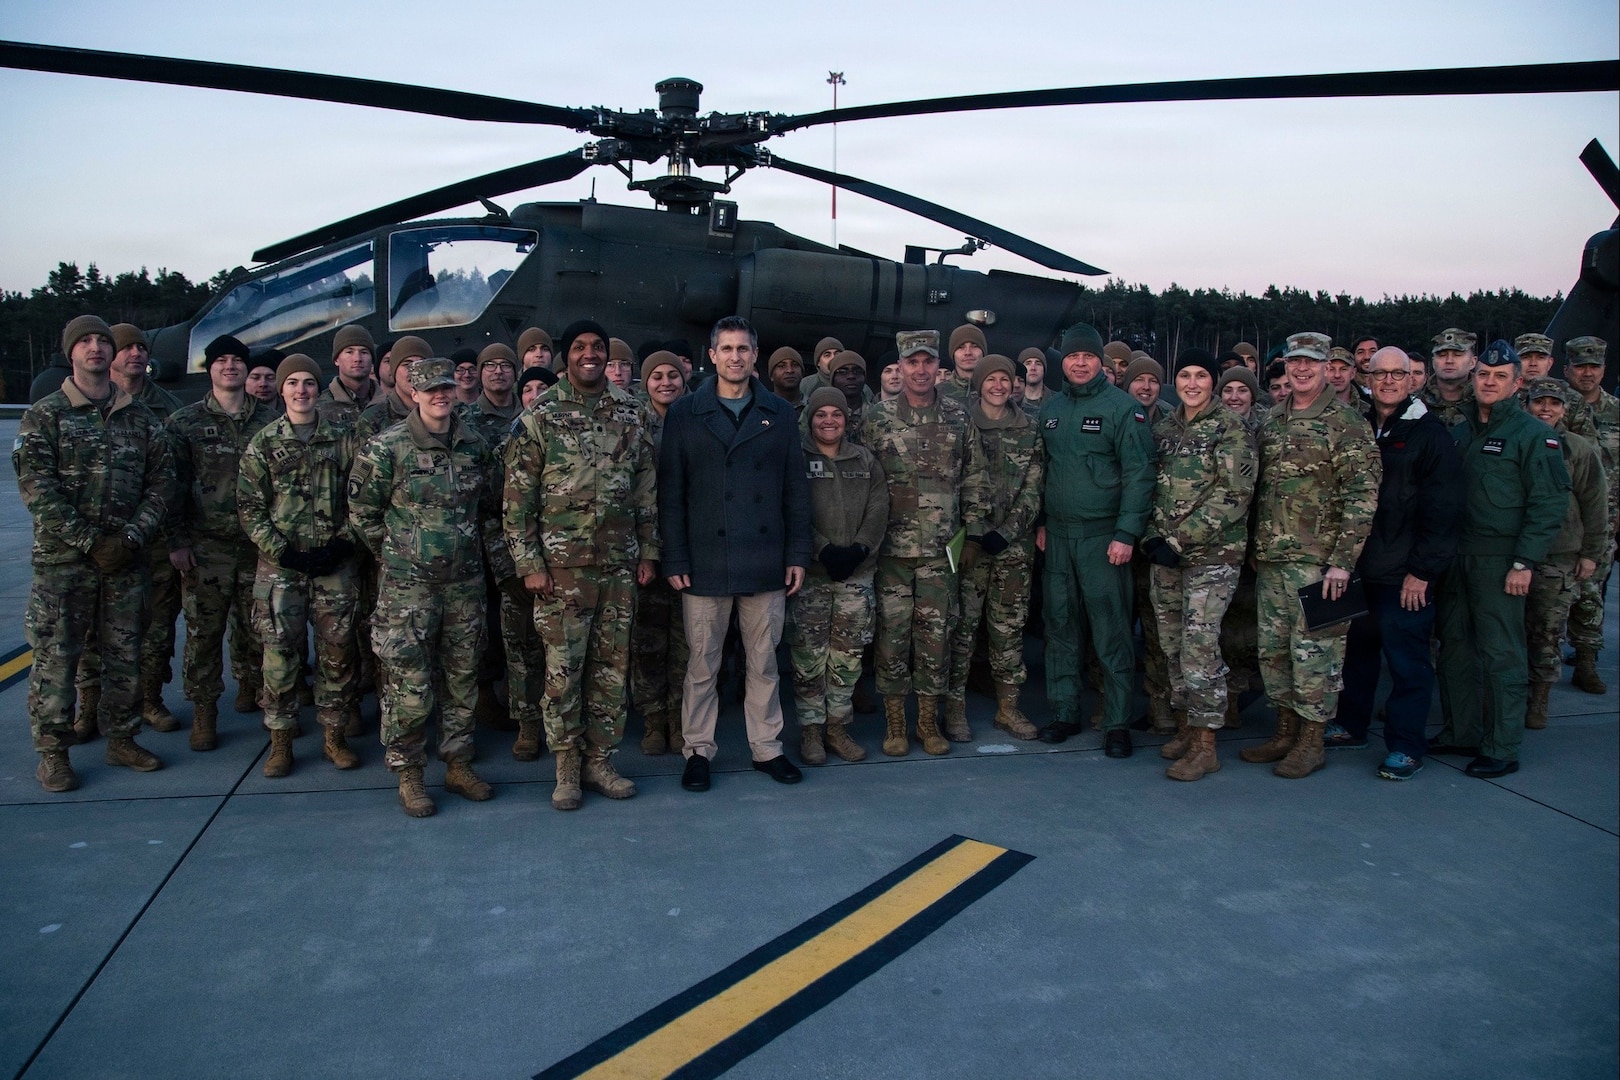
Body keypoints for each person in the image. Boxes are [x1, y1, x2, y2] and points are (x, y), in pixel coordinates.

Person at [349, 357, 511, 817]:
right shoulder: (387, 448)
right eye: (430, 390)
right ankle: (410, 774)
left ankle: (458, 765)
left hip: (464, 586)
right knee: (409, 682)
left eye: (447, 388)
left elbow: (489, 509)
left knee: (462, 679)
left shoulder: (474, 445)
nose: (441, 396)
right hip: (409, 590)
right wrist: (399, 553)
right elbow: (362, 512)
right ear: (413, 395)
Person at [505, 319, 658, 808]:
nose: (589, 354)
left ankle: (601, 762)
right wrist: (529, 562)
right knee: (563, 670)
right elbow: (516, 499)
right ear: (563, 356)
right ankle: (567, 766)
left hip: (617, 565)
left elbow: (645, 490)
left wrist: (649, 550)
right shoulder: (540, 414)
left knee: (612, 668)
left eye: (597, 347)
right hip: (560, 570)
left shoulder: (630, 412)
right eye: (579, 348)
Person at [17, 315, 174, 791]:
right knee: (57, 658)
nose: (96, 349)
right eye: (85, 342)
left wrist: (130, 539)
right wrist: (90, 541)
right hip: (64, 564)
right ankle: (54, 753)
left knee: (126, 653)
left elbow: (163, 483)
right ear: (71, 353)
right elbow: (37, 489)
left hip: (126, 561)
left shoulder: (140, 418)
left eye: (103, 341)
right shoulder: (45, 416)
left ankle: (122, 738)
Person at [660, 315, 811, 792]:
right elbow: (671, 493)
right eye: (726, 349)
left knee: (763, 662)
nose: (735, 357)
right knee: (702, 663)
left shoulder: (780, 413)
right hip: (705, 559)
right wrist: (676, 558)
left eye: (743, 349)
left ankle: (768, 749)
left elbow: (795, 491)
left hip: (764, 557)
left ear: (754, 355)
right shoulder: (686, 412)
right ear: (712, 355)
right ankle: (698, 751)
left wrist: (798, 553)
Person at [1242, 332, 1380, 779]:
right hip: (1272, 559)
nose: (1301, 369)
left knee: (1317, 656)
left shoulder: (1347, 422)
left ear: (1327, 368)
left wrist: (1343, 562)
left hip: (1320, 565)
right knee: (1274, 652)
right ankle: (1284, 731)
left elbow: (1362, 496)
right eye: (1294, 361)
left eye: (1311, 362)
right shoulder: (1272, 419)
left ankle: (1311, 741)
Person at [1429, 341, 1570, 779]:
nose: (1489, 382)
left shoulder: (1532, 435)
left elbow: (1548, 504)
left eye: (1500, 376)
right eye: (1484, 375)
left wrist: (1524, 562)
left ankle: (1502, 745)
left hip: (1500, 559)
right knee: (1454, 648)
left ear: (1517, 383)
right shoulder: (1460, 429)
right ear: (1473, 377)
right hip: (1456, 557)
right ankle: (1462, 731)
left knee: (1502, 653)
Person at [1328, 347, 1461, 780]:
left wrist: (1422, 572)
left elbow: (1443, 511)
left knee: (1407, 663)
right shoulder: (1357, 425)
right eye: (1379, 373)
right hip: (1355, 566)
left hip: (1403, 574)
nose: (1387, 381)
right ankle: (1351, 725)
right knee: (1354, 656)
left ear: (1412, 380)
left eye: (1397, 374)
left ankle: (1406, 746)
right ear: (1367, 378)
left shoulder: (1429, 433)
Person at [858, 329, 987, 757]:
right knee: (891, 639)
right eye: (911, 362)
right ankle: (896, 723)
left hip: (940, 552)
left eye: (927, 361)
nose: (920, 370)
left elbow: (974, 478)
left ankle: (928, 723)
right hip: (890, 552)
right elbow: (860, 481)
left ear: (938, 366)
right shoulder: (876, 419)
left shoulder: (958, 416)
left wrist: (973, 535)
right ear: (900, 366)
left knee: (936, 640)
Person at [237, 354, 364, 776]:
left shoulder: (344, 439)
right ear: (281, 389)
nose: (302, 390)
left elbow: (362, 498)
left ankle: (334, 735)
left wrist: (341, 544)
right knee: (279, 657)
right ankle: (281, 740)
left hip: (334, 566)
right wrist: (282, 551)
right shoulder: (265, 442)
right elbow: (250, 507)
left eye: (309, 382)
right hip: (282, 569)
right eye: (292, 382)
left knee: (337, 653)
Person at [1033, 323, 1155, 757]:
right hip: (1059, 539)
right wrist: (1044, 520)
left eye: (1087, 356)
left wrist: (1127, 533)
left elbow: (1140, 474)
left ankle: (1118, 721)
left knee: (1111, 629)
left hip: (1104, 539)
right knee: (1060, 626)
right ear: (1062, 362)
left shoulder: (1122, 408)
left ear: (1100, 362)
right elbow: (1043, 470)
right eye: (1071, 357)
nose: (1079, 363)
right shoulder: (1052, 409)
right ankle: (1065, 711)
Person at [1142, 348, 1257, 781]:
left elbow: (1234, 494)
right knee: (1171, 645)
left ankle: (1208, 744)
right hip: (1166, 555)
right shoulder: (1167, 427)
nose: (1192, 383)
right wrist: (1154, 535)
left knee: (1199, 647)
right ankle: (1190, 728)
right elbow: (1153, 485)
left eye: (1201, 376)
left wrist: (1178, 538)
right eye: (1185, 375)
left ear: (1214, 382)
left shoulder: (1231, 427)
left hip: (1212, 556)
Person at [165, 333, 275, 749]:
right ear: (209, 368)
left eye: (237, 360)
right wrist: (176, 540)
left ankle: (256, 690)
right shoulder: (184, 423)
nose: (230, 366)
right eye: (221, 360)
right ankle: (204, 710)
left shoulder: (269, 422)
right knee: (203, 632)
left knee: (259, 628)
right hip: (205, 546)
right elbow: (169, 486)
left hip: (257, 545)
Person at [77, 323, 185, 737]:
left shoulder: (166, 408)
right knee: (90, 631)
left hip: (151, 540)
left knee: (155, 628)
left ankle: (149, 700)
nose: (136, 354)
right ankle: (88, 705)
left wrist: (173, 539)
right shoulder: (84, 404)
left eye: (142, 347)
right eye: (127, 348)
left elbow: (171, 480)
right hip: (90, 542)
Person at [792, 386, 888, 763]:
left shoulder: (864, 459)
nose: (828, 421)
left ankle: (837, 728)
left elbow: (880, 506)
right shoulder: (797, 459)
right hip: (812, 577)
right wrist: (824, 550)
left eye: (836, 414)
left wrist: (861, 548)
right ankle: (811, 732)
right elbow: (792, 510)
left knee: (847, 657)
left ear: (847, 420)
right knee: (808, 657)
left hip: (856, 576)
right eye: (820, 414)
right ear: (810, 419)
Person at [950, 354, 1044, 741]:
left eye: (1006, 379)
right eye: (992, 379)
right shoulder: (961, 422)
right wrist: (974, 531)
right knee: (963, 627)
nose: (999, 386)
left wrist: (1007, 532)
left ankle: (1008, 707)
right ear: (979, 383)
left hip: (1013, 547)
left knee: (1008, 629)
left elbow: (1034, 488)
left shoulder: (1030, 428)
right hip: (970, 544)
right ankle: (954, 709)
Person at [1522, 377, 1607, 728]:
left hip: (1558, 556)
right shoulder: (1518, 441)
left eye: (1554, 404)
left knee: (1547, 632)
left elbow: (1595, 502)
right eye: (1539, 402)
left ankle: (1539, 698)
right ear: (1527, 405)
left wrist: (1591, 553)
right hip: (1513, 553)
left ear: (1564, 409)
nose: (1546, 409)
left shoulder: (1578, 449)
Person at [631, 351, 689, 755]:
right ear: (645, 382)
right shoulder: (634, 424)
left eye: (672, 375)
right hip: (646, 547)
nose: (665, 382)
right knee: (648, 641)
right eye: (656, 376)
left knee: (688, 642)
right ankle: (653, 720)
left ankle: (680, 719)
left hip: (689, 547)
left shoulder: (697, 421)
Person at [1563, 336, 1616, 694]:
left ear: (1603, 370)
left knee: (1591, 593)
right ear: (1566, 368)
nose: (1587, 373)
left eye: (1593, 366)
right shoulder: (1551, 406)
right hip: (1563, 519)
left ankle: (1585, 662)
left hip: (1605, 517)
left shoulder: (1616, 411)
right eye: (1580, 366)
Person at [316, 323, 379, 427]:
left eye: (364, 352)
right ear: (336, 359)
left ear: (372, 360)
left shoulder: (390, 405)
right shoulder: (317, 409)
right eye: (349, 352)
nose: (357, 359)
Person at [1422, 327, 1477, 429]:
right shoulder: (1417, 404)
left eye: (1457, 355)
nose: (1449, 361)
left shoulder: (1485, 402)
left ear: (1472, 362)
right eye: (1442, 355)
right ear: (1433, 362)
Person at [939, 324, 985, 403]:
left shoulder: (996, 392)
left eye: (974, 346)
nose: (968, 352)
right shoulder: (936, 394)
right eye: (961, 347)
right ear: (953, 353)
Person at [1216, 366, 1263, 432]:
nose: (1234, 397)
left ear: (1252, 397)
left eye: (1242, 390)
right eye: (1228, 391)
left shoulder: (1264, 430)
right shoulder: (1207, 429)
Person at [767, 346, 805, 410]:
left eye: (795, 365)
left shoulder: (813, 405)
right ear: (771, 376)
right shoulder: (763, 406)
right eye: (782, 366)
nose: (789, 370)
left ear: (802, 373)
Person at [1018, 347, 1048, 415]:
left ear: (1044, 369)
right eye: (1028, 363)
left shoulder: (1057, 401)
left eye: (1038, 364)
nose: (1033, 368)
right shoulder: (1011, 401)